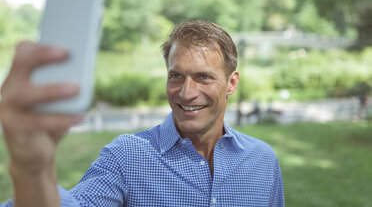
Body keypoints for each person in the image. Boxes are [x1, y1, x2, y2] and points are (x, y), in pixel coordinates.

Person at [0, 20, 284, 207]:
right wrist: (31, 171)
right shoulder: (127, 156)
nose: (186, 93)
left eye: (203, 77)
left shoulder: (263, 160)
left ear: (231, 83)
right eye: (176, 76)